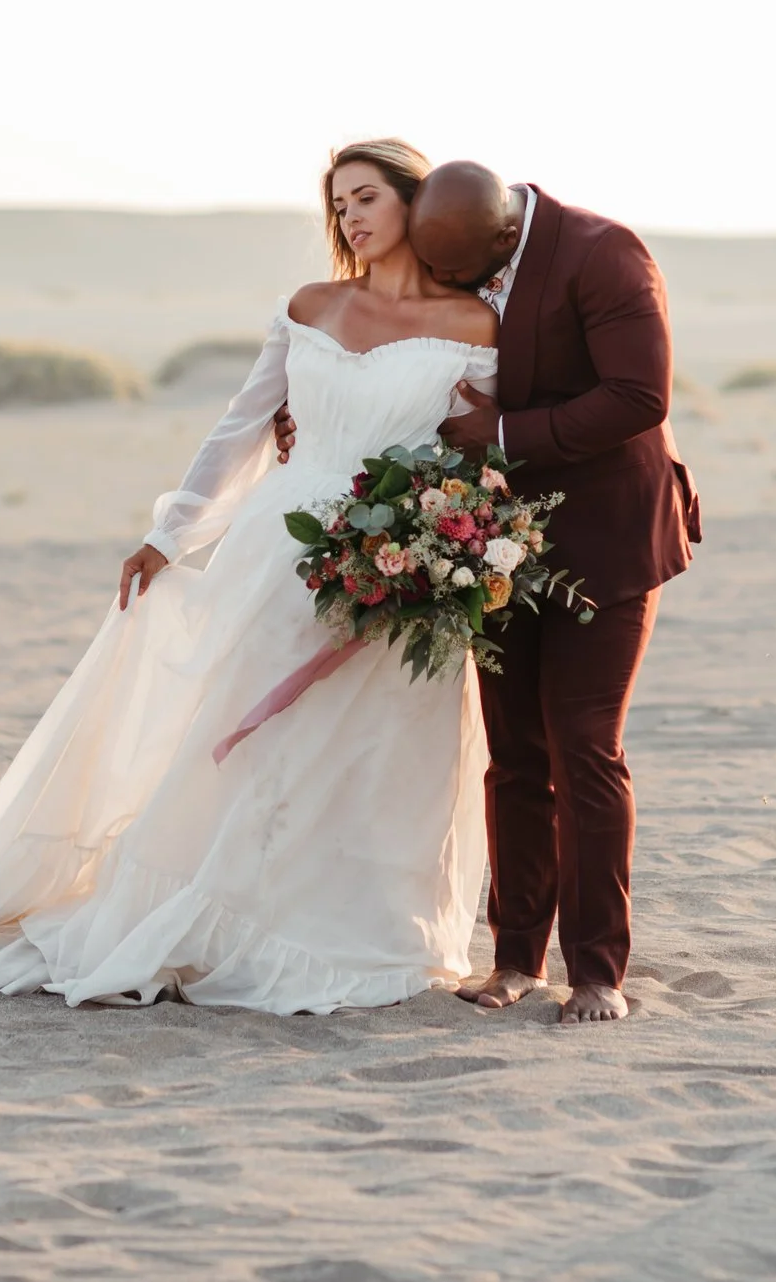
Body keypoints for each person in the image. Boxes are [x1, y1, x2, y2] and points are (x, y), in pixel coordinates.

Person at [0, 140, 502, 1012]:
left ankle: (366, 934)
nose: (352, 217)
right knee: (255, 749)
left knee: (378, 752)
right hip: (277, 547)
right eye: (340, 204)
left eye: (368, 197)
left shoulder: (476, 326)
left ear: (416, 203)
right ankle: (222, 919)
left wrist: (445, 548)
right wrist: (168, 535)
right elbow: (239, 426)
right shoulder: (309, 306)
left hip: (403, 560)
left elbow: (486, 454)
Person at [279, 161, 698, 1025]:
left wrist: (501, 432)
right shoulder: (456, 244)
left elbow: (639, 395)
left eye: (472, 276)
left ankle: (597, 972)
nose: (460, 289)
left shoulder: (606, 254)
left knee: (584, 746)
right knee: (514, 756)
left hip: (608, 541)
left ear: (506, 232)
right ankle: (514, 958)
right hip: (493, 544)